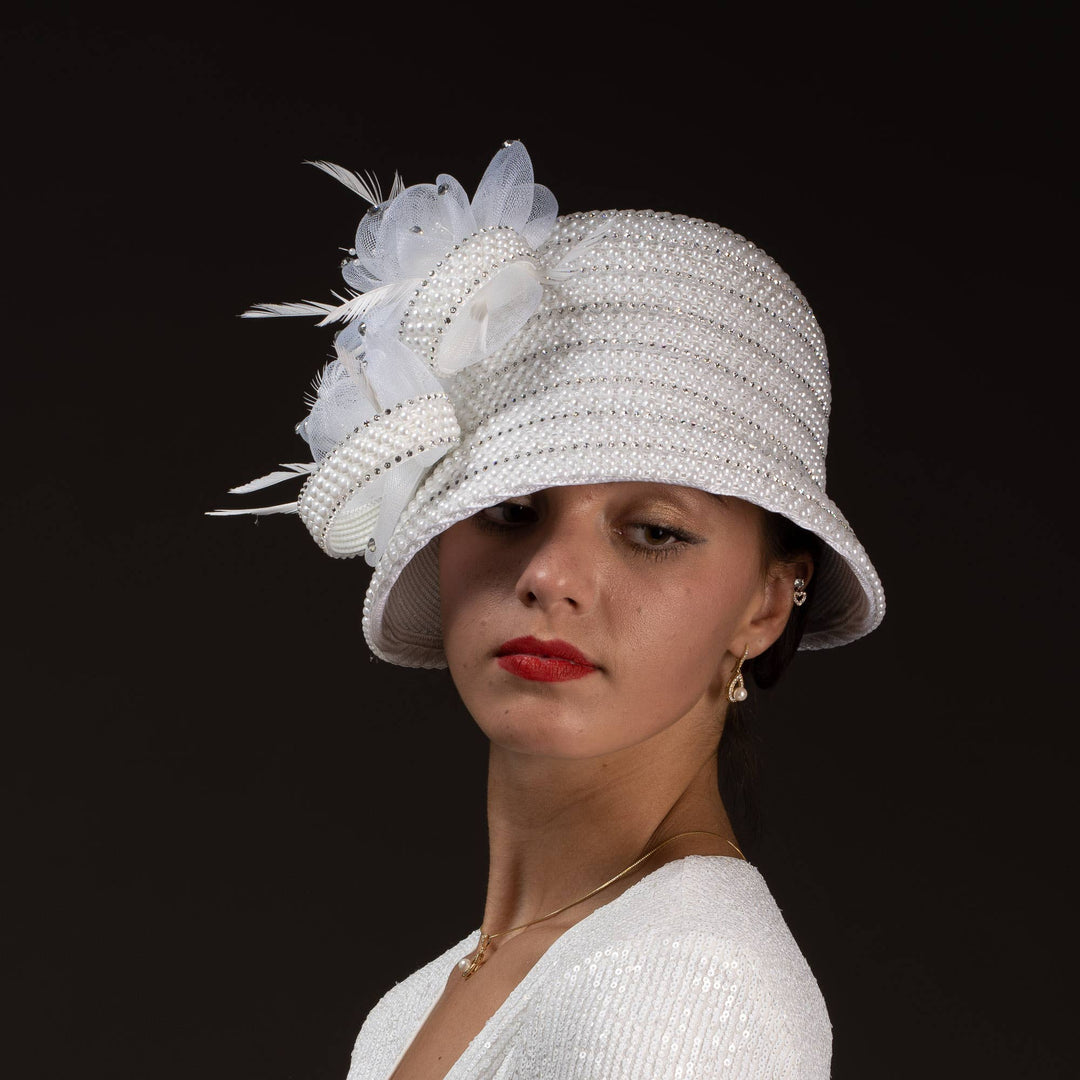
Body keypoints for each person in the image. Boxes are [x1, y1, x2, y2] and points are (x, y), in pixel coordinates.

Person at [211, 140, 885, 1078]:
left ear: (768, 605)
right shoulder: (416, 1007)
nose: (550, 575)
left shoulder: (686, 989)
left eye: (653, 531)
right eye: (511, 511)